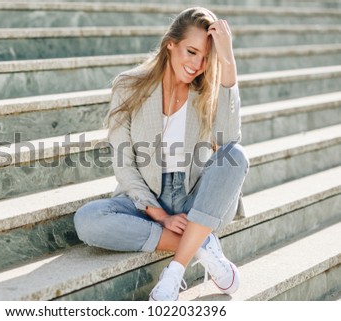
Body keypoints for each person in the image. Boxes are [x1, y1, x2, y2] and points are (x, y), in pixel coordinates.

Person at [74, 7, 249, 301]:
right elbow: (124, 162)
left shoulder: (206, 90)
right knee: (87, 220)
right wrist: (158, 215)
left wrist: (228, 60)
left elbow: (228, 142)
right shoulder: (129, 86)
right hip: (145, 198)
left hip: (197, 197)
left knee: (238, 155)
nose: (197, 64)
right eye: (191, 52)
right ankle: (202, 241)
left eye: (206, 58)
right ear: (171, 44)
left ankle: (175, 270)